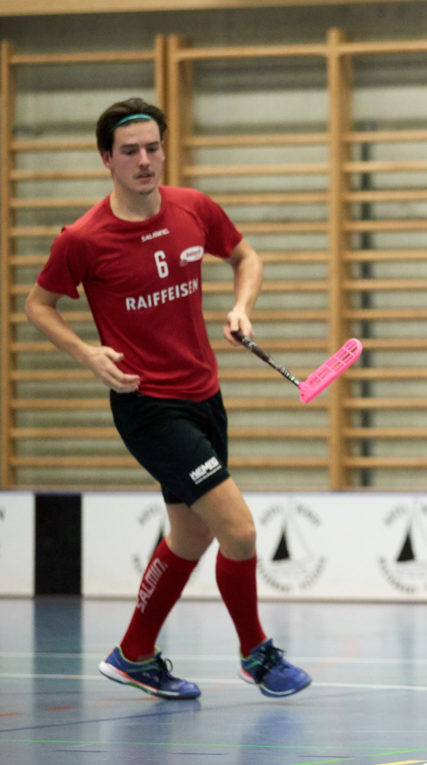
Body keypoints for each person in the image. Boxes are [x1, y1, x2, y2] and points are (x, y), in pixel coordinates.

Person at [25, 98, 310, 701]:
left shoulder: (193, 209)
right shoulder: (83, 238)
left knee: (190, 536)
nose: (145, 160)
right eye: (130, 151)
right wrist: (89, 354)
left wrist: (241, 308)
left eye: (153, 147)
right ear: (107, 159)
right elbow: (38, 305)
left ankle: (134, 653)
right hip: (147, 404)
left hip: (205, 394)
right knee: (237, 530)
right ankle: (256, 654)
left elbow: (245, 257)